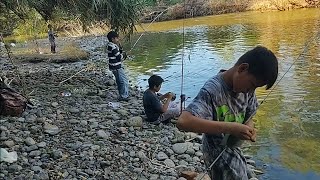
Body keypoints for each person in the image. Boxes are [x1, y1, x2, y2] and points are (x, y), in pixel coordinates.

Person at [177, 46, 278, 180]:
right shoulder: (212, 90)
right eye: (252, 85)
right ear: (242, 69)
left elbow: (249, 117)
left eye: (255, 88)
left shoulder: (247, 90)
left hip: (234, 150)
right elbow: (183, 121)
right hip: (216, 154)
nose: (250, 91)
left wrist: (249, 129)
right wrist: (230, 128)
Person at [107, 31, 129, 101]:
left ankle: (122, 94)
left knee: (119, 81)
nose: (118, 39)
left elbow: (117, 54)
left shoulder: (110, 45)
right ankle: (124, 96)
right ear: (112, 39)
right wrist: (124, 55)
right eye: (116, 38)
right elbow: (119, 57)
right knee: (123, 81)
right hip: (116, 67)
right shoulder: (113, 47)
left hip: (114, 67)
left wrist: (121, 50)